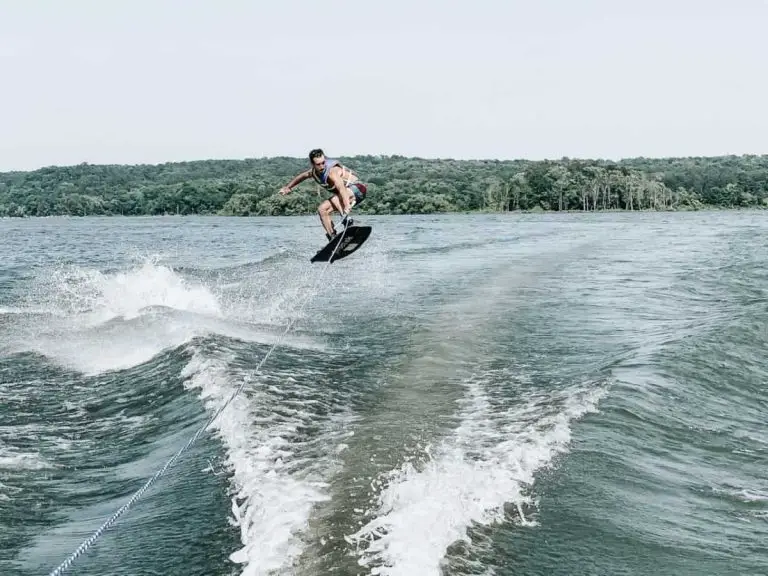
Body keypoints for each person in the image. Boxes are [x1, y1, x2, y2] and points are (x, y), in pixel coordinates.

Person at [279, 149, 368, 241]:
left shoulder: (332, 172)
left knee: (335, 199)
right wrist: (288, 187)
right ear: (312, 164)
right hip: (343, 196)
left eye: (323, 163)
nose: (322, 166)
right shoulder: (313, 172)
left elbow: (342, 190)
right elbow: (301, 176)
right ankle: (332, 237)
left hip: (358, 189)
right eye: (318, 164)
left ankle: (347, 221)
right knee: (322, 209)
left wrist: (346, 206)